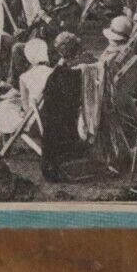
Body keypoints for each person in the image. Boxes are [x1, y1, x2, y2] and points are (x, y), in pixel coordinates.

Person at [37, 31, 87, 182]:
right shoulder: (84, 69)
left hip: (56, 124)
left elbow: (46, 96)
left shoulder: (56, 75)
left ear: (60, 52)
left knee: (51, 118)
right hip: (73, 118)